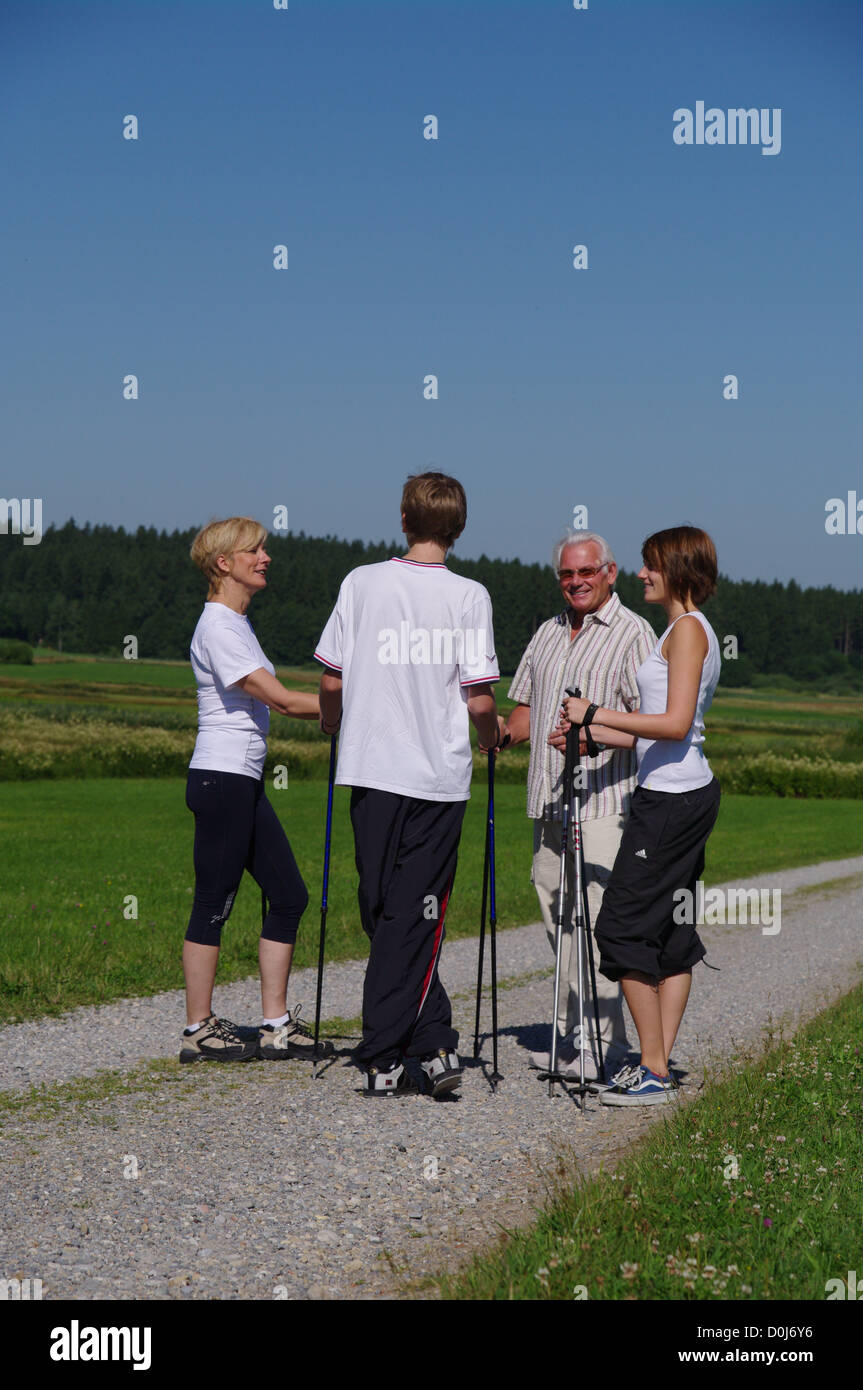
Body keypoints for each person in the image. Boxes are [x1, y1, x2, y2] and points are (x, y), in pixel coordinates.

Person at [315, 472, 501, 1098]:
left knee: (393, 909)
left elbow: (332, 681)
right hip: (418, 775)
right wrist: (492, 733)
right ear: (459, 526)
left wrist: (330, 723)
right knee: (397, 913)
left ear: (403, 519)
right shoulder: (453, 593)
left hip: (394, 774)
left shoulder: (365, 583)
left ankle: (382, 1053)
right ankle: (435, 1039)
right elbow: (479, 695)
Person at [562, 525, 721, 1105]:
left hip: (671, 802)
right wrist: (595, 734)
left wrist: (596, 710)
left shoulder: (684, 631)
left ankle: (651, 1068)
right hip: (682, 789)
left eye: (650, 565)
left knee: (621, 927)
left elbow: (676, 723)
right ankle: (657, 1066)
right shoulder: (686, 630)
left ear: (676, 568)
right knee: (672, 930)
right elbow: (670, 731)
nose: (642, 573)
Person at [501, 532, 655, 1081]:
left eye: (587, 572)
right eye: (567, 575)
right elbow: (525, 714)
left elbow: (653, 730)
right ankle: (573, 1033)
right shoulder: (546, 633)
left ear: (610, 572)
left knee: (597, 922)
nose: (576, 582)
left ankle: (603, 1042)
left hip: (604, 804)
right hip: (548, 804)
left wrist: (593, 738)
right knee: (557, 916)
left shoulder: (634, 635)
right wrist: (494, 731)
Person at [180, 516, 327, 1065]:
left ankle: (275, 1025)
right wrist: (358, 701)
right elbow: (282, 700)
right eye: (254, 550)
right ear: (224, 563)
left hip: (242, 781)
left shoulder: (238, 624)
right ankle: (198, 1028)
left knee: (289, 894)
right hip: (221, 780)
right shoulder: (218, 625)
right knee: (214, 902)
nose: (265, 557)